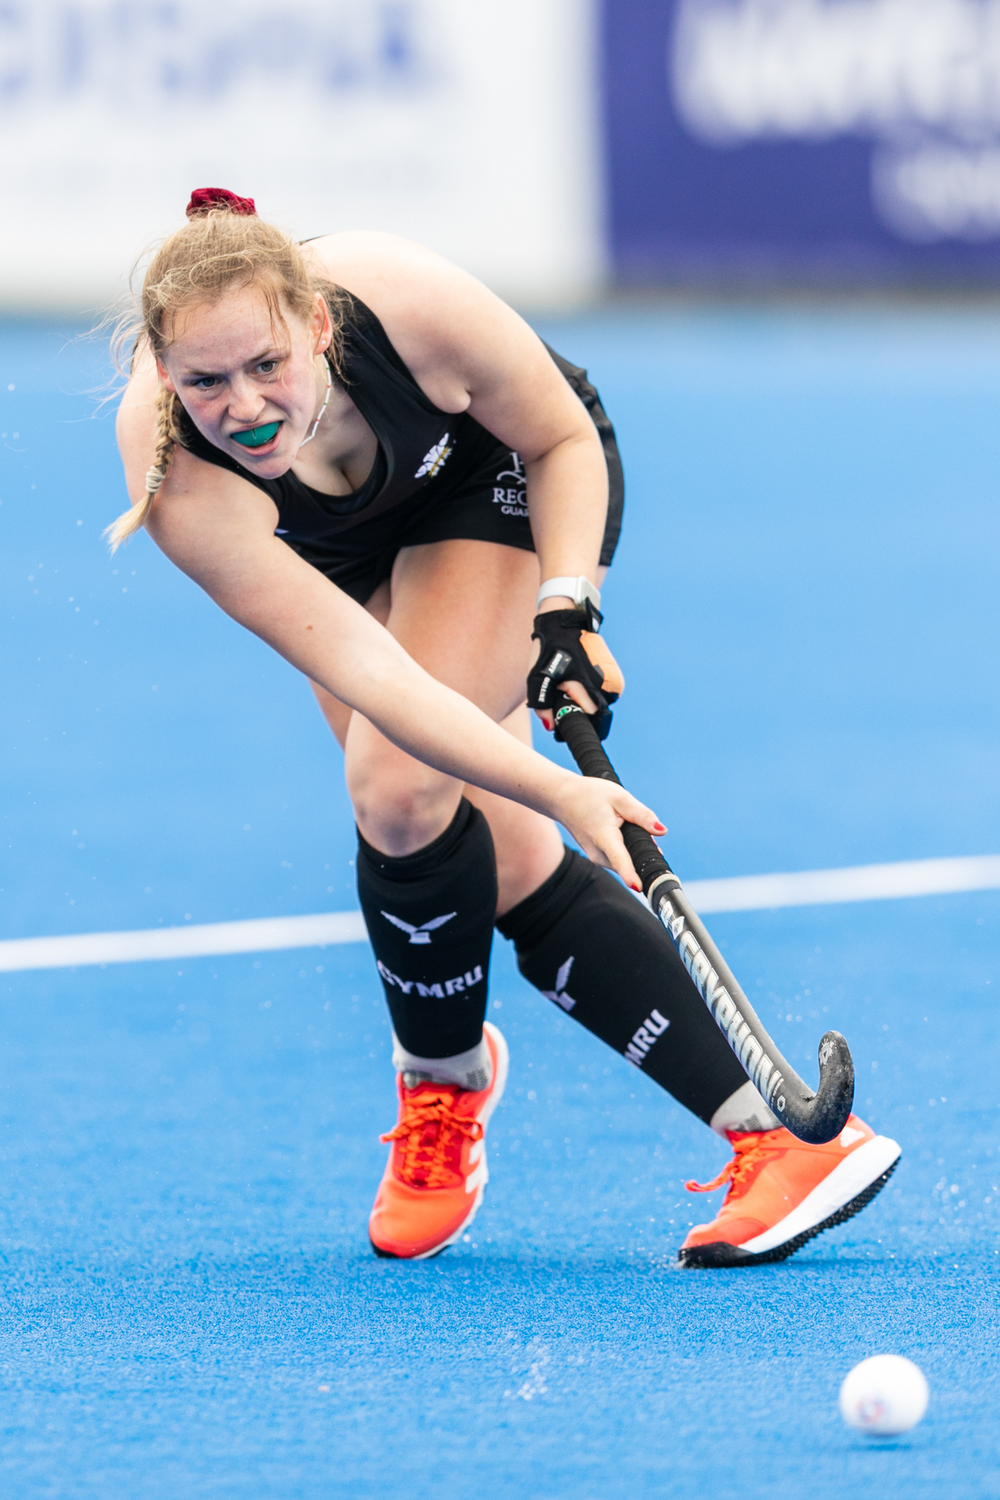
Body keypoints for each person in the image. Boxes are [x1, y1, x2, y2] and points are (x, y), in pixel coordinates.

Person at [112, 188, 900, 1267]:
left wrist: (566, 606)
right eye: (205, 381)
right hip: (337, 550)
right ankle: (777, 1135)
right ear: (164, 373)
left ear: (319, 327)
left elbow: (563, 436)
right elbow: (374, 676)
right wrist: (563, 793)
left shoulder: (407, 308)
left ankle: (440, 1079)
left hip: (500, 476)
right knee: (504, 851)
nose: (243, 405)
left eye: (266, 365)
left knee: (396, 789)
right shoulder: (180, 483)